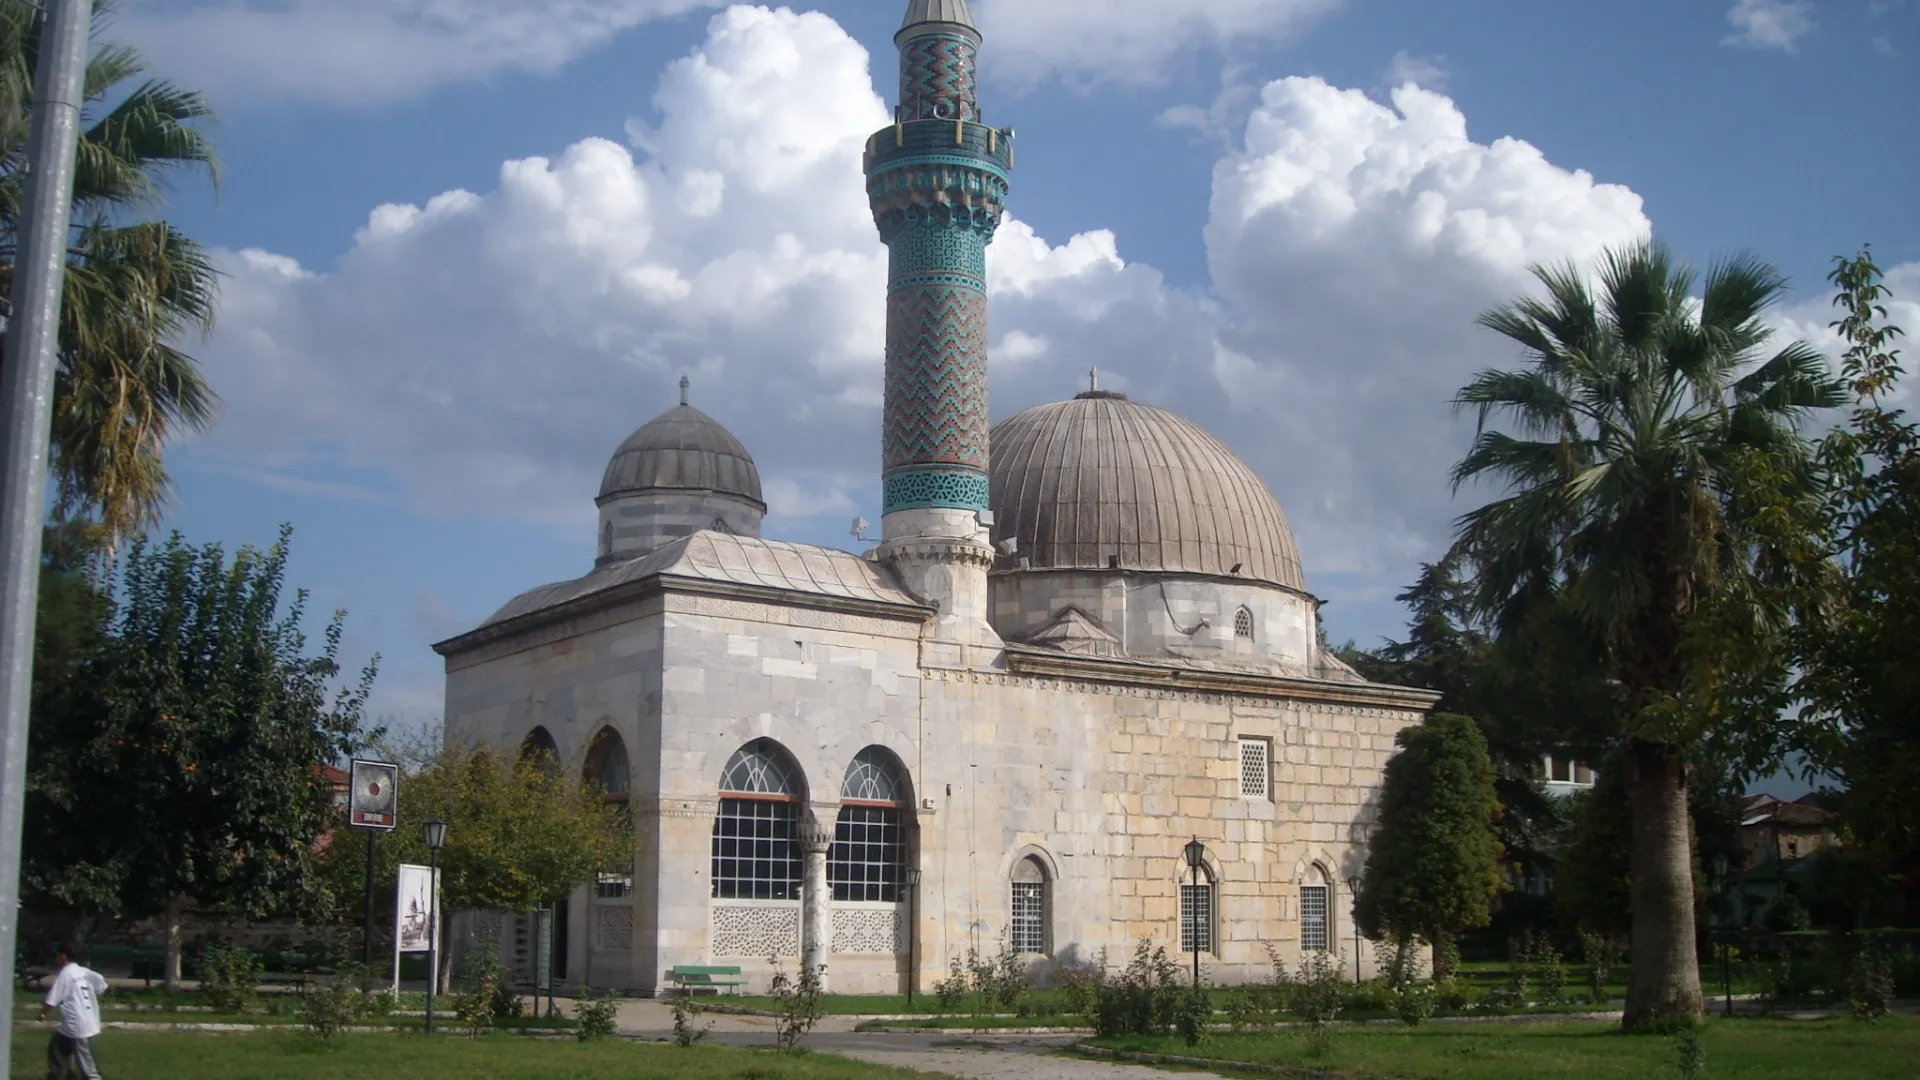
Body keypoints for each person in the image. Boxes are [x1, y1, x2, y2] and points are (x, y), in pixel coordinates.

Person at [37, 948, 107, 1080]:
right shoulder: (83, 971)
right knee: (57, 1048)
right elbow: (101, 983)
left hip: (76, 1023)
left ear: (64, 956)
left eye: (57, 955)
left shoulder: (66, 973)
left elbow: (51, 1000)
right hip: (84, 1020)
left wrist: (42, 1015)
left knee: (84, 1057)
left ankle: (94, 1077)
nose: (56, 959)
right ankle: (61, 1075)